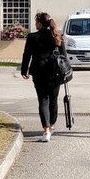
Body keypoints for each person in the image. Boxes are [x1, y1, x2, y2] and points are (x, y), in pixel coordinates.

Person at [20, 11, 65, 142]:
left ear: (39, 23)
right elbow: (63, 56)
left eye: (36, 22)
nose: (35, 24)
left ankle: (46, 130)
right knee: (53, 100)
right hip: (55, 73)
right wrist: (66, 72)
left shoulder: (33, 37)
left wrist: (24, 70)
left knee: (43, 100)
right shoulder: (56, 35)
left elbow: (26, 54)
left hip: (39, 72)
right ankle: (51, 124)